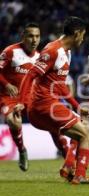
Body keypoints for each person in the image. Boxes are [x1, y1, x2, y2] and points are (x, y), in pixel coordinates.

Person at [15, 16, 89, 184]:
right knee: (87, 136)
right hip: (43, 105)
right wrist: (21, 102)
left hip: (47, 105)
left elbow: (60, 86)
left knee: (84, 125)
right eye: (83, 35)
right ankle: (80, 176)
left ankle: (69, 167)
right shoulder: (53, 50)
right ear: (76, 34)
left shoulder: (66, 53)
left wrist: (77, 107)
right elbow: (31, 74)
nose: (83, 39)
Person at [0, 23, 40, 171]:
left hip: (30, 97)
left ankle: (64, 150)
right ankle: (22, 150)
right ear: (23, 37)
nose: (34, 40)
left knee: (51, 118)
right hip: (8, 96)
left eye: (37, 36)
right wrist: (6, 84)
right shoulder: (10, 51)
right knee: (13, 121)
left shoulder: (39, 57)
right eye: (30, 36)